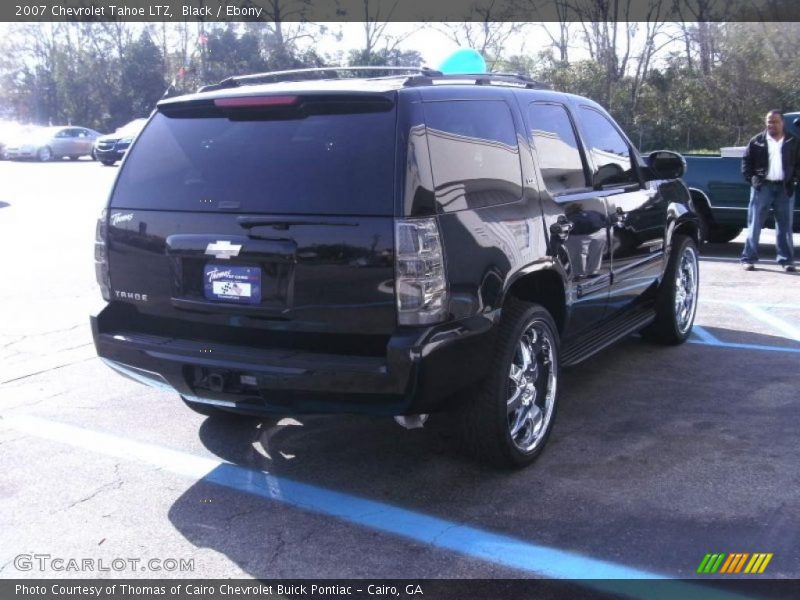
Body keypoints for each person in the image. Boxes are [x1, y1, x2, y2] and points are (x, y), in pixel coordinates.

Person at [741, 110, 799, 272]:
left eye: (775, 121)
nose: (771, 124)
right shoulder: (756, 141)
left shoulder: (793, 141)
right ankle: (748, 259)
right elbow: (746, 162)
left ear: (782, 123)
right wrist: (753, 180)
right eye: (769, 121)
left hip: (784, 188)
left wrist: (794, 180)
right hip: (762, 187)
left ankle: (786, 261)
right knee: (755, 224)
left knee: (785, 226)